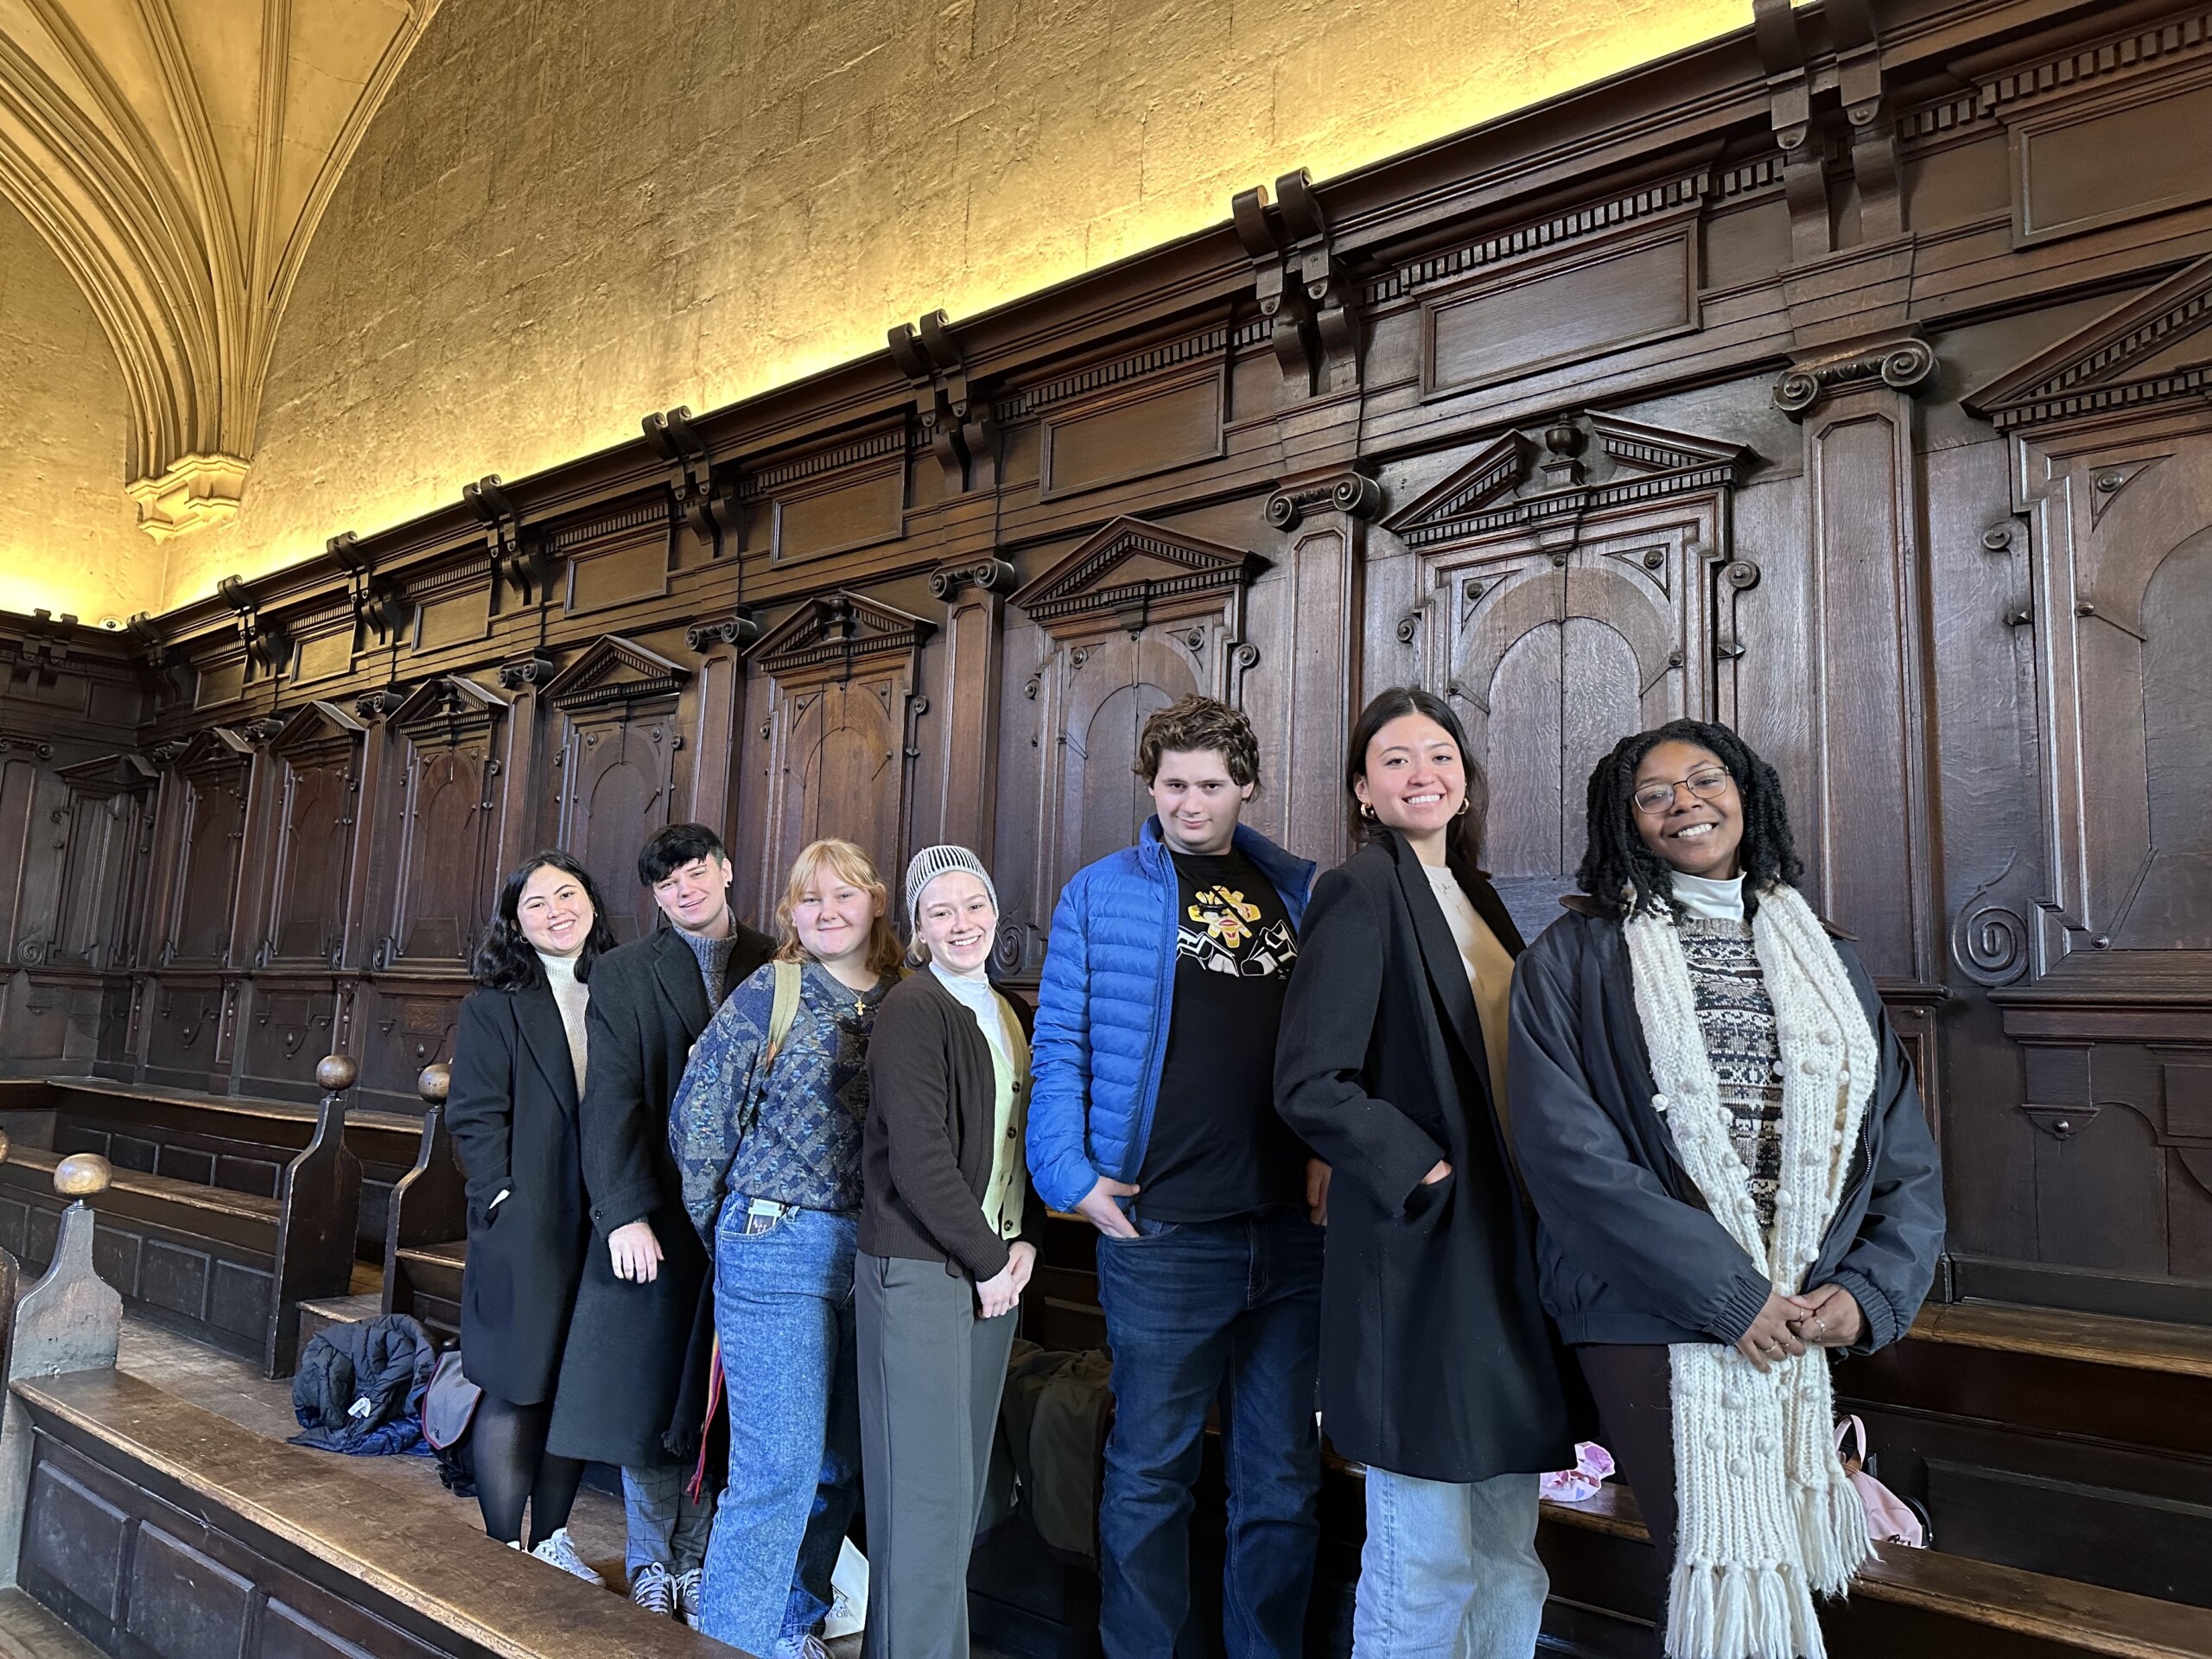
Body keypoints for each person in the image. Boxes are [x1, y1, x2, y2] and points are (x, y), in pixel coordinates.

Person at [1510, 720, 1945, 1659]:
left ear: (1746, 795)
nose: (1684, 803)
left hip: (1799, 1311)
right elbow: (1568, 1158)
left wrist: (1866, 1297)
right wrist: (1727, 1296)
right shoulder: (1575, 958)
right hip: (1641, 1311)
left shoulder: (1822, 955)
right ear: (1625, 820)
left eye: (1705, 780)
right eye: (1654, 793)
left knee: (1781, 1559)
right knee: (1704, 1566)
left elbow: (1898, 1149)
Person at [1274, 687, 1586, 1658]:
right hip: (1422, 1253)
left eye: (1440, 755)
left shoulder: (1483, 897)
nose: (1423, 774)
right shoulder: (1359, 890)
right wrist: (1423, 1171)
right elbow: (1309, 1081)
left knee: (1508, 1552)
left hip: (1509, 1252)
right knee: (1424, 1556)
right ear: (1364, 790)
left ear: (1465, 780)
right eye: (1397, 759)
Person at [1027, 692, 1326, 1659]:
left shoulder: (1303, 893)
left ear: (1245, 786)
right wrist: (1068, 1176)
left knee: (1280, 1481)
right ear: (1149, 787)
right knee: (1149, 1473)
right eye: (1170, 785)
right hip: (1160, 1231)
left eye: (1207, 785)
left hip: (1289, 1229)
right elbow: (1059, 1040)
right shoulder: (1100, 890)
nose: (1188, 804)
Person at [670, 837, 903, 1659]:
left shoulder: (910, 996)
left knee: (840, 1463)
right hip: (775, 1241)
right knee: (779, 1470)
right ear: (791, 916)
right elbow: (699, 1123)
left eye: (844, 895)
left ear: (876, 901)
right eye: (810, 900)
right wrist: (728, 1232)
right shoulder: (773, 989)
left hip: (878, 1254)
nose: (828, 911)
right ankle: (732, 1639)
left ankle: (788, 1624)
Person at [547, 823, 774, 1624]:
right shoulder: (623, 972)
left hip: (753, 1224)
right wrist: (624, 1213)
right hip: (660, 1215)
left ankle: (703, 1559)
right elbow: (609, 1101)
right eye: (666, 883)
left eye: (695, 873)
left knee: (727, 1402)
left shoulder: (778, 961)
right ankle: (652, 1562)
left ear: (725, 871)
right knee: (648, 1397)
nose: (684, 890)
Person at [856, 845, 1039, 1659]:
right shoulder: (912, 1007)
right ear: (918, 931)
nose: (962, 924)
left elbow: (1011, 1144)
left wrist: (1017, 1244)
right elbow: (920, 1160)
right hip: (923, 1266)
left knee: (960, 1501)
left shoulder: (1003, 1011)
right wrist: (991, 1260)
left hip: (993, 1266)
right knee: (924, 1502)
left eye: (975, 906)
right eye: (941, 912)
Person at [446, 850, 616, 1581]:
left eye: (567, 895)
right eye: (536, 903)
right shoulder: (494, 1005)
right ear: (516, 923)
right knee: (518, 1384)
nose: (556, 912)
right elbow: (475, 1116)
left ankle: (551, 1541)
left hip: (607, 1224)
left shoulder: (620, 987)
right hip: (527, 1224)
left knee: (574, 1390)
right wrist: (501, 1197)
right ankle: (500, 1551)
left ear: (592, 904)